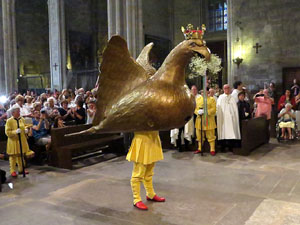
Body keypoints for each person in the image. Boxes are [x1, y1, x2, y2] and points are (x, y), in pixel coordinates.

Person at [126, 131, 165, 210]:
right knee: (138, 174)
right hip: (142, 139)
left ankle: (150, 194)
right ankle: (137, 199)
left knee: (149, 172)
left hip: (153, 138)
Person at [5, 106, 34, 177]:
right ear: (13, 113)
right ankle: (12, 170)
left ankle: (21, 169)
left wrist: (25, 130)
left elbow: (25, 126)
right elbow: (7, 132)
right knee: (13, 156)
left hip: (21, 139)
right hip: (14, 141)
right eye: (17, 111)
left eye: (19, 111)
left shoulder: (22, 119)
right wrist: (15, 132)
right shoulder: (9, 121)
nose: (19, 113)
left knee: (21, 155)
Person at [217, 84, 241, 150]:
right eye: (225, 88)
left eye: (228, 88)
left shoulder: (232, 98)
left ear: (230, 89)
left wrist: (233, 115)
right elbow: (218, 108)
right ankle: (223, 146)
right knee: (223, 132)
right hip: (223, 118)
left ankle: (231, 146)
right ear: (223, 89)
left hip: (231, 118)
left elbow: (235, 109)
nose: (227, 89)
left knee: (231, 131)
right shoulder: (220, 97)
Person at [194, 89, 217, 155]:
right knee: (199, 135)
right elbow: (194, 108)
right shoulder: (197, 99)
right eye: (201, 92)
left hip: (208, 120)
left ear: (208, 92)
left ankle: (212, 149)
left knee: (211, 135)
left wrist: (206, 112)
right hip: (200, 120)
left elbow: (214, 109)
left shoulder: (212, 99)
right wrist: (197, 112)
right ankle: (199, 148)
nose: (203, 93)